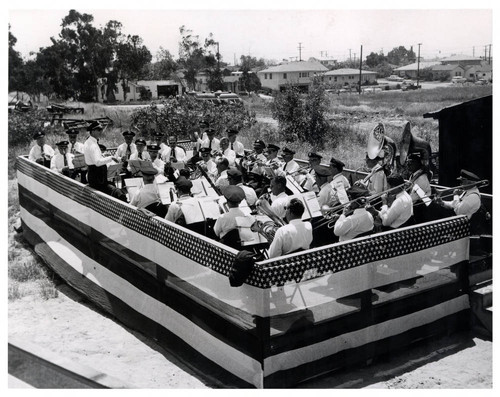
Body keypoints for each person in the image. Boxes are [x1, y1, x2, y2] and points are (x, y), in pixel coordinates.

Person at [83, 121, 128, 202]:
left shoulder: (88, 142)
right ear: (92, 131)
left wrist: (103, 156)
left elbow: (94, 158)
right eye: (98, 130)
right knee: (107, 193)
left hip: (95, 174)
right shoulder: (93, 145)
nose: (101, 132)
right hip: (97, 176)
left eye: (101, 130)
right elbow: (97, 162)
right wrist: (110, 158)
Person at [407, 153, 432, 223]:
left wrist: (403, 201)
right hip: (414, 205)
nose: (408, 165)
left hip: (420, 208)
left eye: (411, 162)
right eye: (407, 162)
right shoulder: (413, 175)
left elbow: (416, 197)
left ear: (418, 164)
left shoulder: (421, 178)